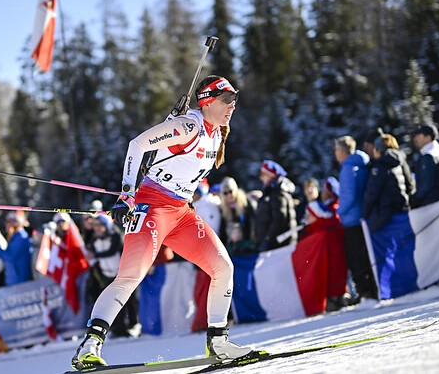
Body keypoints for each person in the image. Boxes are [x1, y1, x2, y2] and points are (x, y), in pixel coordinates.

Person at [72, 75, 252, 369]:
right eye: (226, 100)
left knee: (223, 267)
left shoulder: (217, 132)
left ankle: (218, 341)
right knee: (130, 276)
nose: (232, 106)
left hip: (181, 213)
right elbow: (138, 145)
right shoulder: (188, 125)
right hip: (152, 207)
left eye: (234, 100)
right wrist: (127, 195)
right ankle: (89, 346)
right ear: (207, 101)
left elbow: (180, 168)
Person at [334, 135, 375, 301]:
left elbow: (348, 196)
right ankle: (369, 289)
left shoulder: (348, 167)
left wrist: (340, 213)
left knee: (356, 259)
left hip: (352, 220)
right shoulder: (360, 163)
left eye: (336, 150)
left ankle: (365, 292)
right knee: (364, 257)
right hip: (362, 217)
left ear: (342, 151)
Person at [302, 177, 347, 311]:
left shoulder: (331, 211)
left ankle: (337, 298)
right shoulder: (327, 209)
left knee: (335, 273)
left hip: (333, 250)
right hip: (329, 250)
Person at [362, 133, 413, 233]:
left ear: (378, 150)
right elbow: (410, 184)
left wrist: (364, 214)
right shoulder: (400, 161)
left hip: (386, 214)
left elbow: (372, 193)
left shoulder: (380, 167)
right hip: (402, 210)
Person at [253, 160, 298, 251]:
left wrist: (268, 239)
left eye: (263, 174)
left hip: (279, 246)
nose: (261, 178)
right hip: (273, 244)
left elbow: (279, 220)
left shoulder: (278, 194)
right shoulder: (271, 193)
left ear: (270, 176)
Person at [410, 124, 439, 207]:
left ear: (428, 137)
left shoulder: (429, 155)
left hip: (429, 204)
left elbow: (426, 183)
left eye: (418, 136)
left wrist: (415, 199)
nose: (415, 139)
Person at [0, 211, 33, 285]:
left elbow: (9, 256)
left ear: (15, 223)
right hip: (12, 279)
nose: (6, 224)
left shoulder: (21, 237)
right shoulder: (14, 237)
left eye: (8, 222)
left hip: (19, 280)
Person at [219, 177, 256, 245]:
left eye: (230, 191)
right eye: (225, 193)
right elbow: (223, 228)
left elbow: (253, 221)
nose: (229, 195)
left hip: (248, 240)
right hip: (232, 243)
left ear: (235, 190)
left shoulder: (246, 202)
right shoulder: (223, 207)